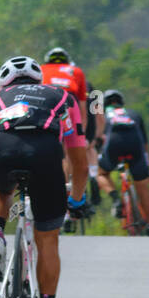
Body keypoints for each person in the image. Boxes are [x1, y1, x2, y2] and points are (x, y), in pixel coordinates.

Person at [0, 56, 90, 298]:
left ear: (4, 82)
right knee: (48, 240)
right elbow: (79, 158)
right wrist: (76, 199)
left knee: (0, 192)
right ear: (38, 80)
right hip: (45, 154)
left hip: (2, 151)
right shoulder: (63, 97)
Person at [40, 47, 103, 200]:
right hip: (76, 109)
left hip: (47, 109)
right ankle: (92, 175)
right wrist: (91, 136)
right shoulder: (82, 78)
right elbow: (98, 114)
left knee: (58, 152)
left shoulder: (42, 70)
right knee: (82, 149)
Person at [97, 89, 149, 234]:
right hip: (135, 147)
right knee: (143, 187)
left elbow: (99, 139)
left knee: (101, 174)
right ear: (122, 104)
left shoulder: (104, 116)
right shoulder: (134, 114)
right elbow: (145, 144)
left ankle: (116, 199)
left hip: (114, 146)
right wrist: (147, 166)